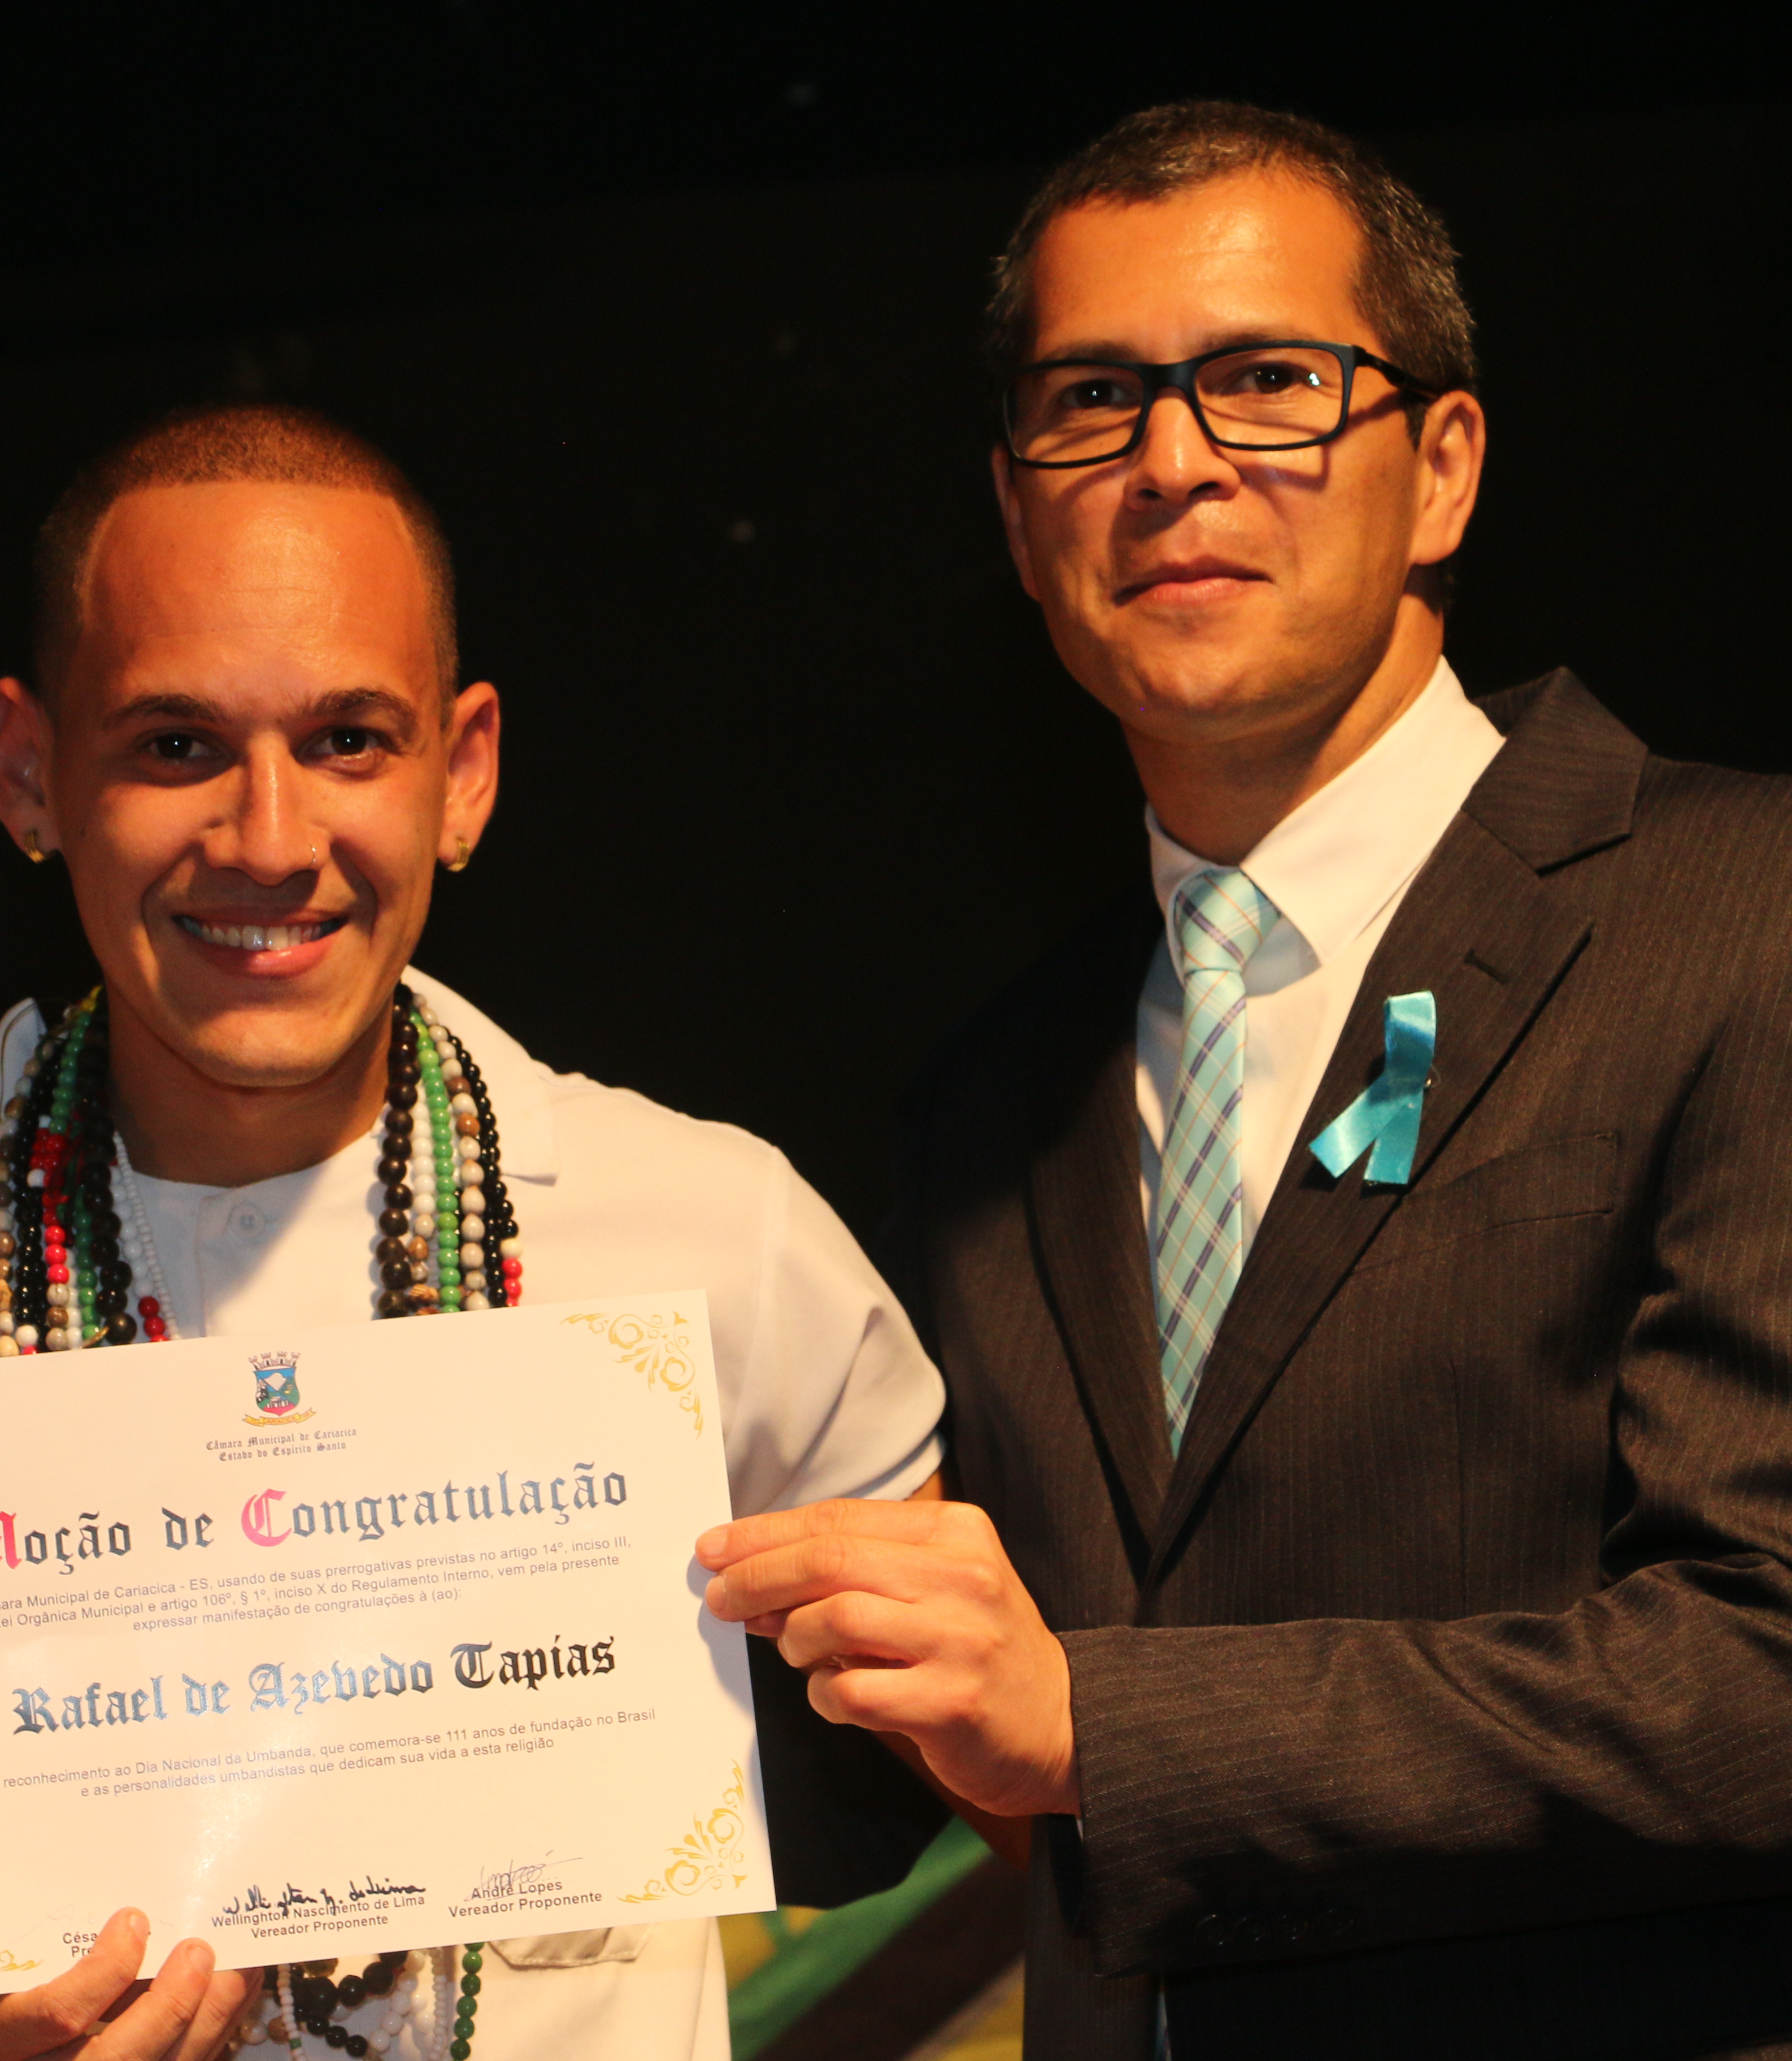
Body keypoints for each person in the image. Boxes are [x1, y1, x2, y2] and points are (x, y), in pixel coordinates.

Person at [0, 403, 952, 2061]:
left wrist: (1001, 1680)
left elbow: (1028, 1806)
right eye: (177, 744)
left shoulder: (718, 1236)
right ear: (30, 773)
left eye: (348, 742)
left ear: (464, 773)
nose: (268, 839)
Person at [698, 99, 1792, 2059]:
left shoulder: (1747, 915)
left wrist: (1101, 1728)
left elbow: (1766, 1673)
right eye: (1093, 401)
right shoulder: (994, 1098)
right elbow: (943, 1759)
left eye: (1270, 381)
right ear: (1019, 516)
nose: (1174, 462)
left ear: (1441, 468)